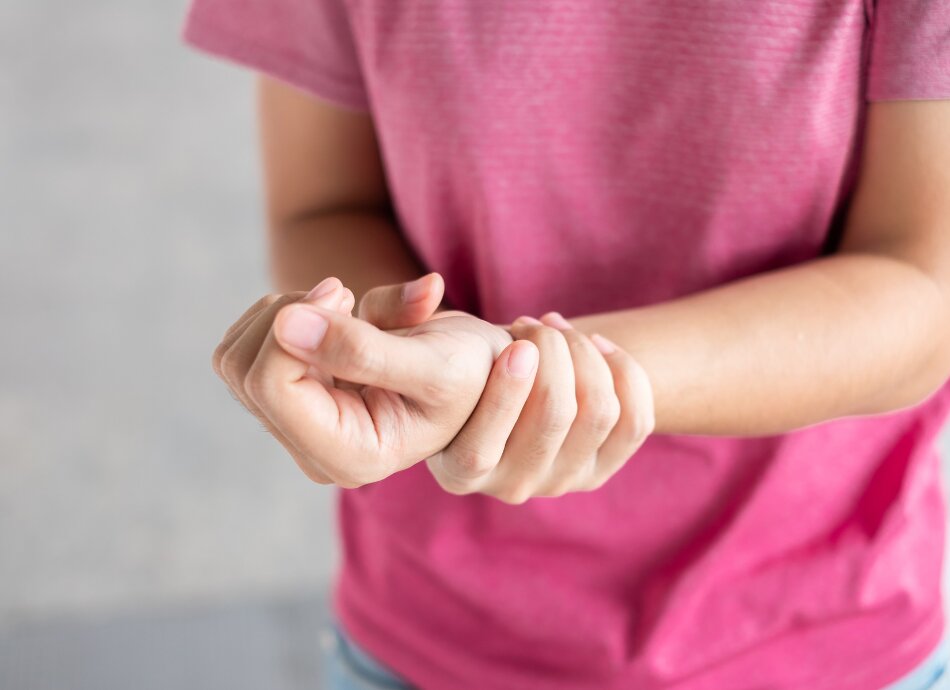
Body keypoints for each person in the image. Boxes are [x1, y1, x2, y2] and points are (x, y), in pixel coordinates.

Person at [182, 0, 950, 687]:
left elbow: (926, 287)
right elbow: (324, 207)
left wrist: (518, 378)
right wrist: (386, 358)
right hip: (432, 633)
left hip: (830, 634)